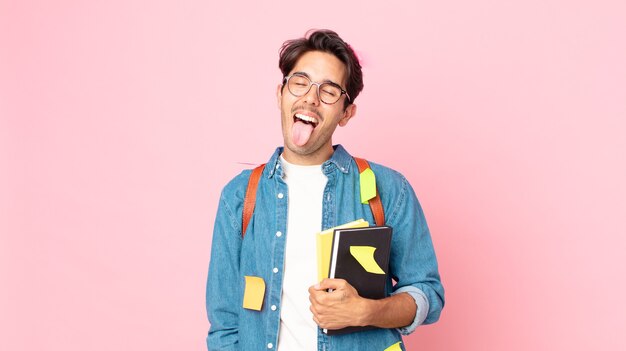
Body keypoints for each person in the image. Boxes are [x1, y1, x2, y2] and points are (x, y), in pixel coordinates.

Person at [206, 29, 444, 351]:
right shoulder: (239, 197)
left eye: (329, 90)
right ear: (280, 94)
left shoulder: (389, 189)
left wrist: (367, 311)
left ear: (346, 113)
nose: (310, 98)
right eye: (300, 82)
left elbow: (428, 293)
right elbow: (225, 325)